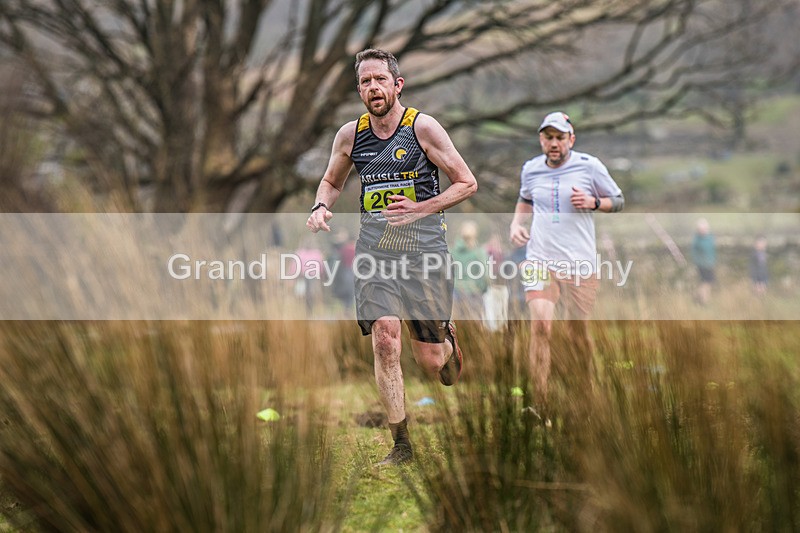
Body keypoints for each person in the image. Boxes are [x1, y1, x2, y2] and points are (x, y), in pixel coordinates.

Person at [307, 49, 478, 465]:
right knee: (385, 339)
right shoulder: (350, 135)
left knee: (430, 360)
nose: (373, 88)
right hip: (375, 253)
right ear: (359, 90)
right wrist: (321, 206)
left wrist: (420, 208)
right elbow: (332, 180)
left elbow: (467, 183)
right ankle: (401, 444)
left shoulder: (422, 128)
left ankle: (447, 342)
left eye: (380, 79)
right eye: (365, 82)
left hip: (424, 253)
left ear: (397, 85)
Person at [509, 111, 624, 423]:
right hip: (539, 260)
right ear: (541, 140)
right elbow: (525, 200)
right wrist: (516, 224)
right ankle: (540, 405)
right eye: (548, 137)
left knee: (577, 333)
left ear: (571, 139)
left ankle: (586, 392)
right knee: (540, 327)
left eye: (560, 138)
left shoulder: (590, 166)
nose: (554, 143)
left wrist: (594, 202)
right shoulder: (531, 169)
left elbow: (618, 200)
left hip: (579, 262)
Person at [450, 221, 489, 321]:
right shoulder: (479, 252)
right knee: (475, 327)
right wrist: (482, 289)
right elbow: (485, 275)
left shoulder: (451, 251)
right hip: (474, 294)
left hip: (456, 293)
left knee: (457, 327)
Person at [691, 218, 716, 306]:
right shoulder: (697, 240)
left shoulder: (710, 238)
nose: (703, 230)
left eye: (705, 228)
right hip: (702, 265)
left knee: (709, 283)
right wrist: (698, 262)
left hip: (710, 264)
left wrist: (712, 261)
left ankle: (700, 298)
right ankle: (703, 301)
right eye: (701, 229)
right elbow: (694, 253)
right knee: (705, 283)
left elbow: (712, 251)